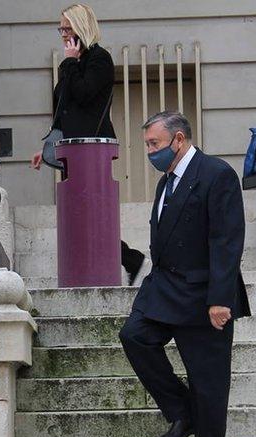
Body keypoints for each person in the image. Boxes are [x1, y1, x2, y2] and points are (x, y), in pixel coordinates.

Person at [118, 111, 251, 437]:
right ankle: (182, 411)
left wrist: (220, 298)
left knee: (208, 380)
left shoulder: (216, 174)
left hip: (205, 294)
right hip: (166, 289)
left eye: (153, 144)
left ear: (178, 140)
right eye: (147, 145)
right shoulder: (166, 183)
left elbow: (226, 240)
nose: (149, 152)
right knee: (134, 336)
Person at [30, 3, 148, 285]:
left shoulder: (100, 60)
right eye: (60, 28)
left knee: (93, 209)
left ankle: (127, 259)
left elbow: (84, 94)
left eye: (67, 28)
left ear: (82, 27)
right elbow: (62, 109)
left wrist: (71, 62)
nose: (62, 34)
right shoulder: (69, 63)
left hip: (93, 148)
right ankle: (128, 259)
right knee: (79, 210)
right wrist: (48, 147)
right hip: (70, 149)